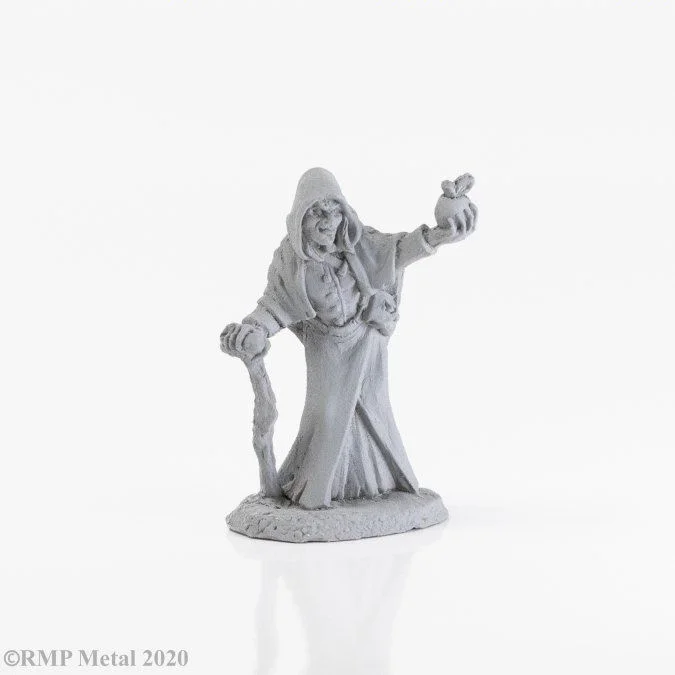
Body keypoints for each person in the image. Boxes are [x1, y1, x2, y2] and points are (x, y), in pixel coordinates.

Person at [221, 168, 476, 509]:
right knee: (328, 419)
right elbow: (274, 305)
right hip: (327, 353)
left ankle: (375, 486)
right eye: (316, 213)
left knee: (373, 414)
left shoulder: (359, 244)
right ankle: (316, 493)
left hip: (366, 347)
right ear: (300, 218)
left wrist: (441, 234)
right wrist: (253, 329)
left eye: (334, 211)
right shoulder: (290, 261)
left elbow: (398, 250)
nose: (328, 222)